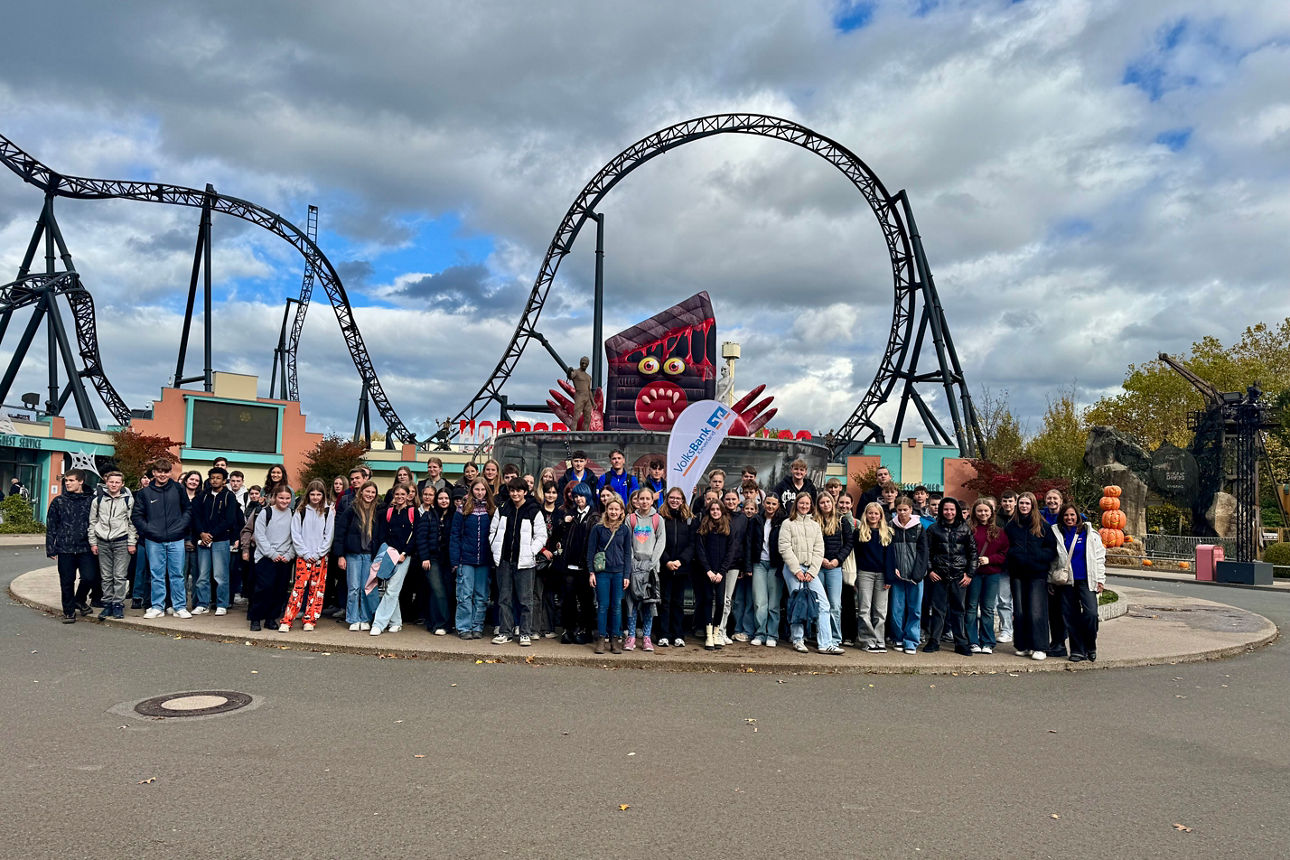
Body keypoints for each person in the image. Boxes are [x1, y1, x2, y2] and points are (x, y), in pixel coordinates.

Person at [489, 477, 547, 646]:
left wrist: (530, 552)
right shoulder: (503, 508)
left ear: (525, 492)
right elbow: (493, 531)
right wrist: (495, 549)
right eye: (512, 490)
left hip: (525, 562)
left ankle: (525, 633)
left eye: (518, 490)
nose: (515, 493)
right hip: (505, 560)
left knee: (525, 600)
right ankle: (505, 632)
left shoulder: (533, 510)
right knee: (504, 598)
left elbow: (541, 535)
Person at [132, 460, 193, 620]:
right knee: (156, 574)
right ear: (154, 473)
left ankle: (179, 606)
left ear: (170, 473)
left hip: (176, 538)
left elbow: (188, 509)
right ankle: (157, 606)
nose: (162, 475)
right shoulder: (144, 493)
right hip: (153, 540)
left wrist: (180, 527)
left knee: (177, 574)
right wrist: (150, 530)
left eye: (165, 471)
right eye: (159, 471)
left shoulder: (179, 488)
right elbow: (137, 516)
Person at [778, 493, 836, 654]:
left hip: (811, 569)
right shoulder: (787, 524)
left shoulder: (815, 525)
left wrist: (812, 571)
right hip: (793, 569)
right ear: (796, 504)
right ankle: (798, 639)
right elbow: (784, 547)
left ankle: (826, 643)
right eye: (801, 503)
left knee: (824, 605)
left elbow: (819, 549)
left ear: (811, 506)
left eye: (807, 504)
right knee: (799, 603)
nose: (804, 506)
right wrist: (796, 569)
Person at [1004, 492, 1058, 661]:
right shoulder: (1011, 526)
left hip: (1036, 574)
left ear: (1033, 505)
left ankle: (1040, 646)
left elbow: (1051, 550)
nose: (1024, 506)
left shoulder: (1043, 526)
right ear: (1017, 505)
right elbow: (1005, 547)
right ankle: (1023, 644)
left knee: (1036, 611)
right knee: (1019, 611)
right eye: (1021, 503)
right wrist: (1014, 556)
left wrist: (1038, 557)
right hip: (1017, 573)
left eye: (1027, 503)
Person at [1052, 503, 1106, 662]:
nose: (1069, 518)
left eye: (1072, 515)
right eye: (1066, 515)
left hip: (1086, 580)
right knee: (1071, 616)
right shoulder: (1057, 533)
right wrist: (1051, 580)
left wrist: (1100, 580)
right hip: (1066, 582)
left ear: (1077, 516)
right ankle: (1077, 650)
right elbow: (1054, 560)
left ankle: (1090, 645)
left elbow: (1099, 558)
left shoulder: (1089, 533)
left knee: (1091, 614)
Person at [279, 480, 335, 632]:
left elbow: (328, 535)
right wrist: (304, 553)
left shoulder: (328, 511)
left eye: (319, 494)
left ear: (323, 495)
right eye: (312, 494)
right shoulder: (300, 511)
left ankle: (310, 619)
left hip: (320, 557)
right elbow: (295, 534)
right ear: (308, 494)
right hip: (303, 556)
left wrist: (319, 553)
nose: (315, 497)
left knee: (316, 590)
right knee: (298, 588)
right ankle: (287, 620)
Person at [923, 496, 976, 656]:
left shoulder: (965, 529)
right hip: (939, 576)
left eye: (952, 509)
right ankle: (934, 641)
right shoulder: (933, 529)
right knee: (938, 610)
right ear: (941, 511)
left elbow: (973, 552)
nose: (949, 512)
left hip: (959, 576)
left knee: (958, 610)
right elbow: (927, 552)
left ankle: (961, 642)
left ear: (957, 511)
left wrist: (970, 574)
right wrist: (930, 570)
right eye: (946, 509)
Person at [190, 466, 243, 616]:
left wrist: (211, 534)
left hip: (221, 540)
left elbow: (230, 519)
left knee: (220, 575)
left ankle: (222, 604)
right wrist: (201, 533)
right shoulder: (203, 496)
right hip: (203, 540)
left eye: (218, 478)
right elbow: (196, 516)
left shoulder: (229, 497)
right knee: (202, 575)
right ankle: (202, 603)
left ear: (224, 480)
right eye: (212, 477)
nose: (215, 480)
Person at [46, 469, 96, 623]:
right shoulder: (59, 501)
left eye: (71, 480)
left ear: (81, 481)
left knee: (89, 577)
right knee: (67, 580)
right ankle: (69, 612)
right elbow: (51, 526)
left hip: (86, 547)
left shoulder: (92, 500)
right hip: (65, 547)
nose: (68, 483)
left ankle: (79, 600)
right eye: (66, 481)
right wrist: (50, 547)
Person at [587, 494, 632, 655]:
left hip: (619, 573)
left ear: (621, 511)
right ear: (607, 510)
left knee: (617, 607)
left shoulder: (624, 530)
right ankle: (601, 638)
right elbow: (591, 551)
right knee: (602, 606)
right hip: (602, 573)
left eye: (616, 509)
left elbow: (627, 553)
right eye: (610, 508)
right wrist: (591, 572)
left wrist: (627, 575)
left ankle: (615, 638)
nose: (613, 512)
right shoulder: (598, 528)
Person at [88, 470, 136, 619]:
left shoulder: (128, 500)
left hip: (121, 541)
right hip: (102, 541)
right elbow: (92, 522)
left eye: (117, 482)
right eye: (111, 482)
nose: (114, 484)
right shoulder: (98, 500)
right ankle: (107, 603)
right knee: (106, 576)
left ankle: (118, 605)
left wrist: (131, 542)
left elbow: (131, 523)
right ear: (106, 482)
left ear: (122, 484)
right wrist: (93, 542)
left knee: (120, 576)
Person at [450, 478, 494, 640]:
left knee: (481, 596)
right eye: (477, 489)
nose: (480, 492)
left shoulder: (491, 510)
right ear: (471, 490)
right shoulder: (462, 509)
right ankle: (463, 627)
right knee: (464, 595)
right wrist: (455, 560)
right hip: (465, 559)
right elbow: (455, 535)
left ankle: (477, 626)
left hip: (485, 560)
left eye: (483, 490)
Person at [369, 484, 417, 636]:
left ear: (408, 495)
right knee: (390, 588)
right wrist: (386, 552)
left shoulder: (413, 512)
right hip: (390, 554)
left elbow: (416, 535)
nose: (400, 497)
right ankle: (396, 622)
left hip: (404, 556)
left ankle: (379, 623)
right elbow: (383, 534)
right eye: (397, 494)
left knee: (392, 589)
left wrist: (406, 552)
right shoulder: (388, 512)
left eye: (403, 494)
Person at [965, 499, 1010, 654]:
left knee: (988, 608)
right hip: (973, 574)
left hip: (992, 574)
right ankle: (972, 641)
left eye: (986, 511)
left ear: (991, 512)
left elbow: (1004, 553)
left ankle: (987, 641)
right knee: (971, 607)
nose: (983, 514)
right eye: (979, 511)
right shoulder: (968, 529)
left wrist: (990, 559)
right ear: (974, 512)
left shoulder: (999, 532)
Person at [335, 480, 380, 631]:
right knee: (353, 587)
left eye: (373, 492)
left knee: (366, 587)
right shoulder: (351, 509)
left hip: (369, 555)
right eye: (367, 491)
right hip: (353, 554)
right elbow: (340, 533)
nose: (370, 495)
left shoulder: (378, 510)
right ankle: (353, 618)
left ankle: (365, 618)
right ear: (361, 492)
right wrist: (340, 555)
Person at [250, 486, 296, 631]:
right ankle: (256, 618)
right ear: (274, 497)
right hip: (266, 557)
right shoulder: (266, 513)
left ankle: (271, 618)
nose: (284, 501)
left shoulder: (293, 514)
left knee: (280, 590)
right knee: (263, 589)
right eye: (281, 498)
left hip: (285, 558)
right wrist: (272, 554)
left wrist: (289, 554)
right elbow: (260, 536)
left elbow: (296, 536)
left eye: (287, 498)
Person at [624, 487, 664, 651]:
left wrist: (652, 562)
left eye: (648, 499)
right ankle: (631, 636)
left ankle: (646, 637)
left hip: (651, 568)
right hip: (634, 567)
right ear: (637, 500)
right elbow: (627, 542)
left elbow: (661, 541)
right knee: (632, 603)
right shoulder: (630, 519)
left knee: (649, 603)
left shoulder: (657, 519)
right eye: (642, 499)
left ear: (652, 500)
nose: (645, 502)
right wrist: (633, 562)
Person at [888, 497, 929, 654]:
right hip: (898, 576)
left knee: (915, 609)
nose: (903, 513)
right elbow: (888, 550)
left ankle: (911, 640)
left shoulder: (919, 527)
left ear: (911, 510)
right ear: (896, 510)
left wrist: (917, 574)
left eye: (905, 510)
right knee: (896, 609)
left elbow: (923, 552)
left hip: (915, 577)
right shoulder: (891, 526)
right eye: (899, 510)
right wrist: (893, 568)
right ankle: (898, 638)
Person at [558, 482, 597, 644]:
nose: (579, 499)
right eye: (576, 496)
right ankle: (569, 629)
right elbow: (558, 535)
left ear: (587, 496)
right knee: (568, 598)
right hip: (569, 564)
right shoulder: (570, 514)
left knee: (586, 599)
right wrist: (564, 523)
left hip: (585, 565)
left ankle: (586, 630)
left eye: (581, 495)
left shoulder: (594, 516)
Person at [853, 502, 894, 653]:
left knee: (880, 610)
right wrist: (855, 577)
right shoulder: (859, 532)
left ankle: (879, 639)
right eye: (870, 513)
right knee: (864, 608)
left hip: (883, 575)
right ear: (866, 514)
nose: (873, 516)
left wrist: (890, 578)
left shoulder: (887, 533)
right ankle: (867, 640)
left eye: (876, 513)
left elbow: (891, 557)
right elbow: (856, 556)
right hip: (865, 574)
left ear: (881, 515)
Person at [656, 487, 694, 648]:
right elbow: (657, 542)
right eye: (672, 497)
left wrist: (681, 561)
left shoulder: (690, 519)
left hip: (682, 567)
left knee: (678, 602)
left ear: (683, 500)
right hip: (665, 566)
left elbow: (692, 544)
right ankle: (663, 634)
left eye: (678, 498)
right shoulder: (660, 518)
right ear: (667, 499)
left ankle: (678, 634)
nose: (675, 500)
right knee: (664, 601)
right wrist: (667, 561)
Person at [816, 491, 854, 648]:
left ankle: (835, 637)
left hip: (835, 567)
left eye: (828, 502)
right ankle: (820, 635)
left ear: (833, 503)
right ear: (818, 505)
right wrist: (820, 559)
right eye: (822, 502)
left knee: (835, 604)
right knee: (819, 604)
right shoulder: (813, 521)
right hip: (817, 567)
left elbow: (849, 543)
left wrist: (838, 559)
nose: (825, 505)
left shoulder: (841, 521)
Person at [694, 499, 732, 651]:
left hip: (721, 572)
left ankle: (717, 633)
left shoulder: (728, 528)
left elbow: (731, 551)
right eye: (712, 509)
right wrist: (708, 570)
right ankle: (709, 634)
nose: (715, 512)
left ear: (722, 511)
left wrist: (722, 571)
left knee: (721, 603)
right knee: (708, 600)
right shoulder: (703, 527)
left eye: (718, 509)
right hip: (707, 572)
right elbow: (700, 550)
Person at [746, 493, 783, 647]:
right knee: (760, 602)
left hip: (775, 565)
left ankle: (772, 635)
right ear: (763, 503)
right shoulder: (756, 520)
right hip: (759, 563)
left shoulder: (783, 521)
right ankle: (760, 633)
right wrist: (748, 565)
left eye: (774, 504)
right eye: (768, 503)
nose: (770, 507)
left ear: (778, 505)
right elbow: (748, 543)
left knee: (774, 603)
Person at [417, 487, 455, 635]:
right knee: (437, 590)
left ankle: (441, 623)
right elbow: (421, 538)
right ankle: (440, 624)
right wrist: (424, 557)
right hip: (432, 559)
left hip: (449, 559)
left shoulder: (454, 516)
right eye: (440, 498)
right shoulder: (429, 515)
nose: (443, 501)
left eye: (446, 498)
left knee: (447, 591)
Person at [715, 490, 749, 644]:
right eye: (727, 499)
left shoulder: (742, 518)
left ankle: (722, 631)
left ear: (738, 501)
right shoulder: (719, 516)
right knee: (719, 599)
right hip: (719, 563)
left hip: (734, 564)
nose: (730, 502)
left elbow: (743, 542)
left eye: (733, 499)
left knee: (728, 599)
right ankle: (715, 631)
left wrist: (743, 565)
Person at [1041, 488, 1070, 657]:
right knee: (1052, 610)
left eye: (1055, 498)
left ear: (1061, 500)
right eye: (1049, 498)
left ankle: (1061, 641)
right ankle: (1056, 642)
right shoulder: (1042, 517)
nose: (1051, 501)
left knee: (1064, 609)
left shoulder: (1068, 517)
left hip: (1065, 568)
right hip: (1048, 568)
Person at [533, 481, 561, 638]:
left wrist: (555, 552)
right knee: (536, 593)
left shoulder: (560, 513)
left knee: (549, 595)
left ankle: (548, 628)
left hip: (554, 559)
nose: (551, 495)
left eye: (554, 492)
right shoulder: (537, 512)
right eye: (548, 492)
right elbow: (532, 533)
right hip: (538, 556)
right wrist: (543, 550)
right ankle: (535, 628)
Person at [994, 490, 1018, 643]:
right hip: (1002, 566)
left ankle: (1021, 630)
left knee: (1020, 601)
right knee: (1003, 600)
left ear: (1015, 502)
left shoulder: (1022, 517)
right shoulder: (995, 519)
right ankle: (1006, 629)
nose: (1007, 504)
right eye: (1005, 501)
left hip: (1020, 566)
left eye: (1010, 501)